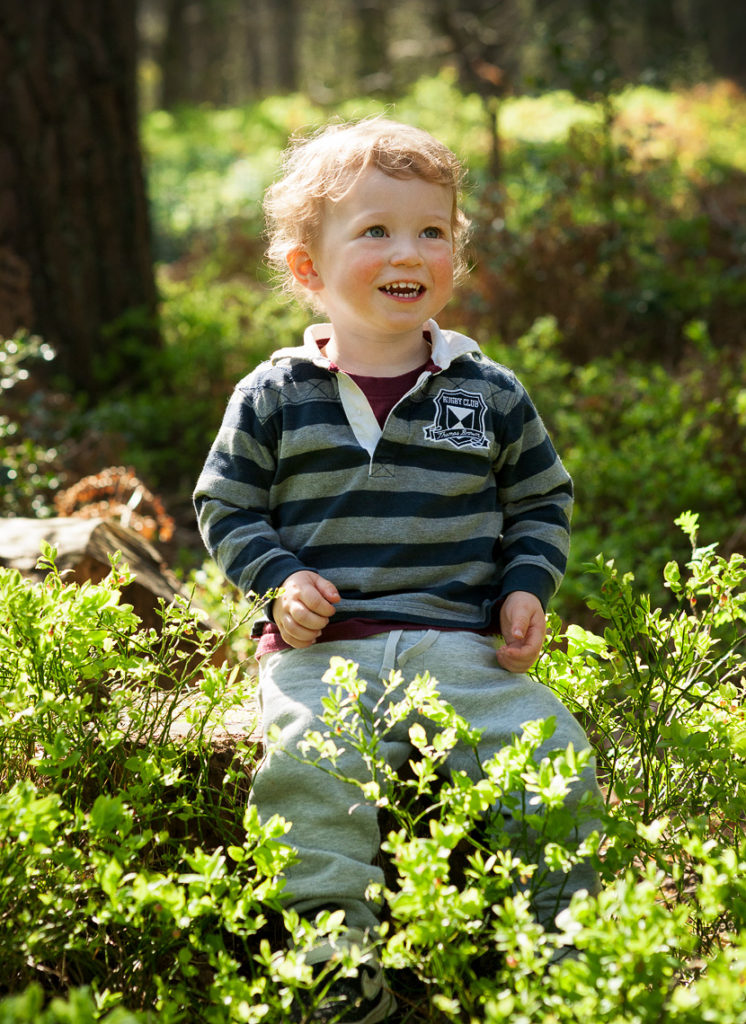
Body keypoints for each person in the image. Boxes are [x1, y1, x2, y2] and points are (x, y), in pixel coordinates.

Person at [194, 117, 601, 1023]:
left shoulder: (486, 391)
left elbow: (540, 500)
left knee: (551, 759)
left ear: (453, 252)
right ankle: (338, 967)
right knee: (310, 782)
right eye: (374, 230)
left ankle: (563, 952)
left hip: (463, 645)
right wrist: (279, 580)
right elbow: (226, 505)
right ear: (307, 267)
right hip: (326, 652)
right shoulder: (273, 393)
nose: (406, 249)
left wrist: (526, 586)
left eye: (431, 230)